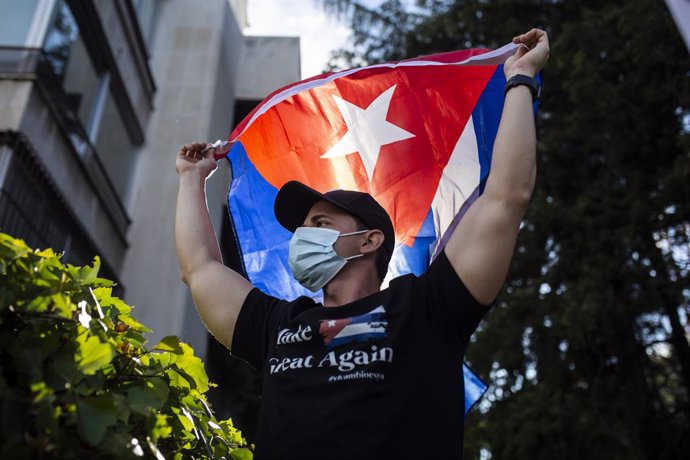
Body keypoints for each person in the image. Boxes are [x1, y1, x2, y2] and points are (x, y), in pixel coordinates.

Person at [175, 29, 549, 460]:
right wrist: (191, 180)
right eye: (303, 228)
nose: (303, 236)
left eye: (319, 222)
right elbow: (199, 269)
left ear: (368, 240)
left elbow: (506, 198)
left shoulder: (430, 308)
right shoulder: (276, 326)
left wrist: (520, 79)